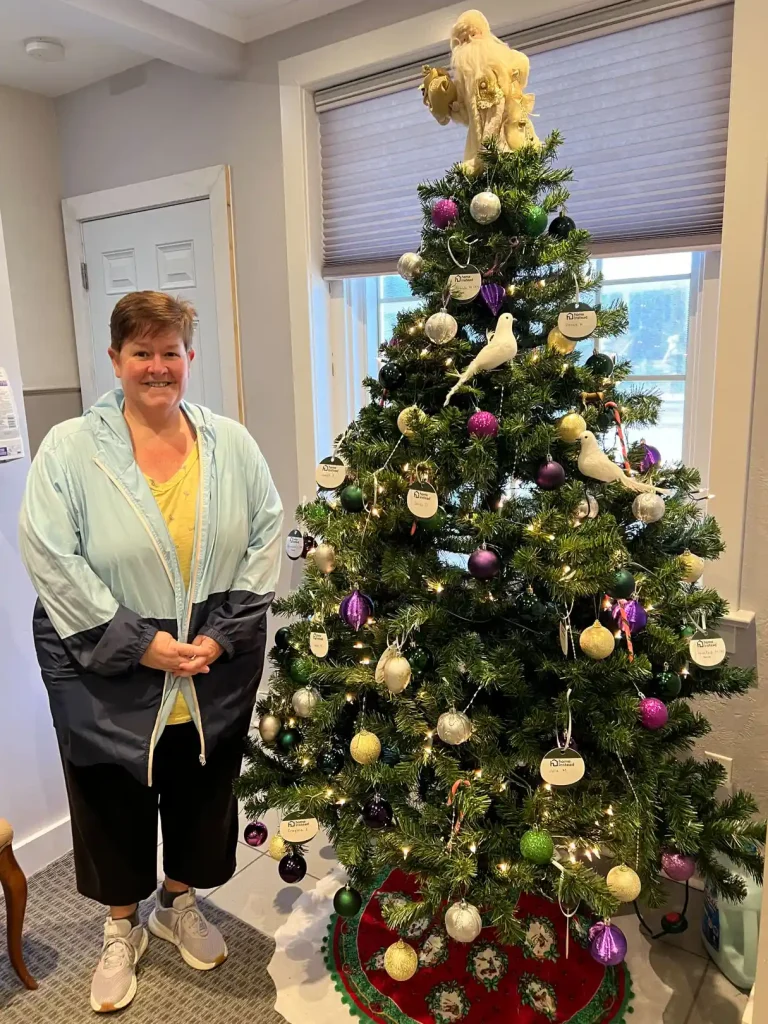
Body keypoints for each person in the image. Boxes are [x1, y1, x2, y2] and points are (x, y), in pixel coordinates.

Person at [19, 291, 283, 1013]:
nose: (157, 367)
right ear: (116, 360)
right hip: (106, 661)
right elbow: (49, 553)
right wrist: (142, 645)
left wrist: (219, 635)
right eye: (142, 353)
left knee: (200, 793)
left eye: (171, 352)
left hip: (208, 656)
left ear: (189, 359)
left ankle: (177, 903)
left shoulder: (232, 444)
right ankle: (119, 926)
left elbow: (266, 531)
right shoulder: (71, 449)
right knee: (112, 800)